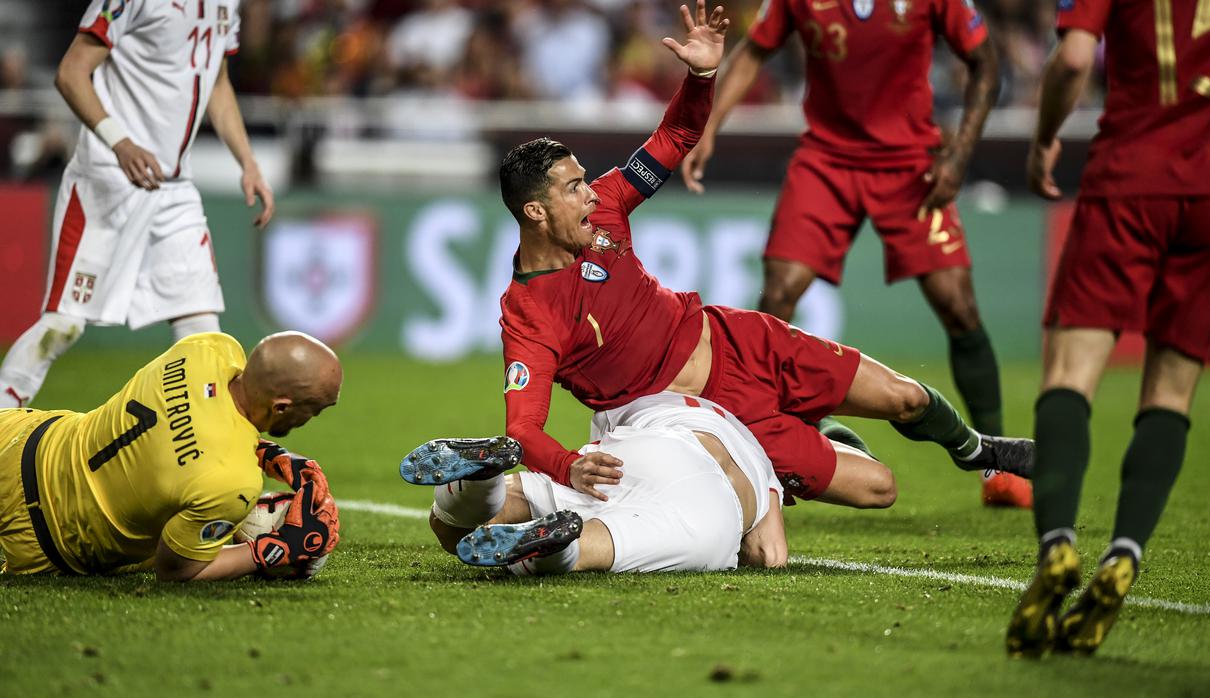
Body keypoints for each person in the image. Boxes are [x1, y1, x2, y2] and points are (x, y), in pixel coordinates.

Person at [497, 1, 1032, 516]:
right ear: (536, 211)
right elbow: (522, 430)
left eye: (586, 181)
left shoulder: (609, 203)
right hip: (705, 416)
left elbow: (677, 135)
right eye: (574, 189)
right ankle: (817, 435)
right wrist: (568, 467)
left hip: (741, 341)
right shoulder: (529, 316)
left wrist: (702, 78)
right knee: (880, 488)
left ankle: (978, 452)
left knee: (906, 398)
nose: (592, 193)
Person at [679, 0, 1028, 508]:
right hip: (826, 159)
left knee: (957, 304)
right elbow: (754, 52)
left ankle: (996, 465)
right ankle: (772, 442)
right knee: (778, 293)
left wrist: (960, 154)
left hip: (911, 161)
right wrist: (708, 128)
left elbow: (985, 62)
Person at [1005, 0, 1210, 657]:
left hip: (1129, 176)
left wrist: (1044, 136)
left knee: (1069, 374)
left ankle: (1056, 549)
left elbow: (1074, 57)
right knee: (1170, 391)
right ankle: (1124, 554)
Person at [0, 0, 275, 408]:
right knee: (64, 325)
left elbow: (217, 84)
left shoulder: (227, 3)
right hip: (108, 177)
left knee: (201, 334)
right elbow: (71, 73)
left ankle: (200, 458)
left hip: (175, 185)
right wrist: (120, 142)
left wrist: (248, 162)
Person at [0, 332, 341, 581]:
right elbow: (176, 571)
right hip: (50, 536)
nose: (312, 419)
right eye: (315, 410)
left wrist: (261, 448)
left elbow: (192, 419)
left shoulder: (208, 349)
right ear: (281, 406)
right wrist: (275, 548)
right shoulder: (233, 482)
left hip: (21, 435)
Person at [401, 392, 792, 574]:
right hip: (711, 508)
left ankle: (479, 486)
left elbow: (606, 422)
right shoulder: (762, 460)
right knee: (599, 543)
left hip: (636, 451)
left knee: (456, 531)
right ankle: (560, 549)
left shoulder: (650, 392)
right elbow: (768, 553)